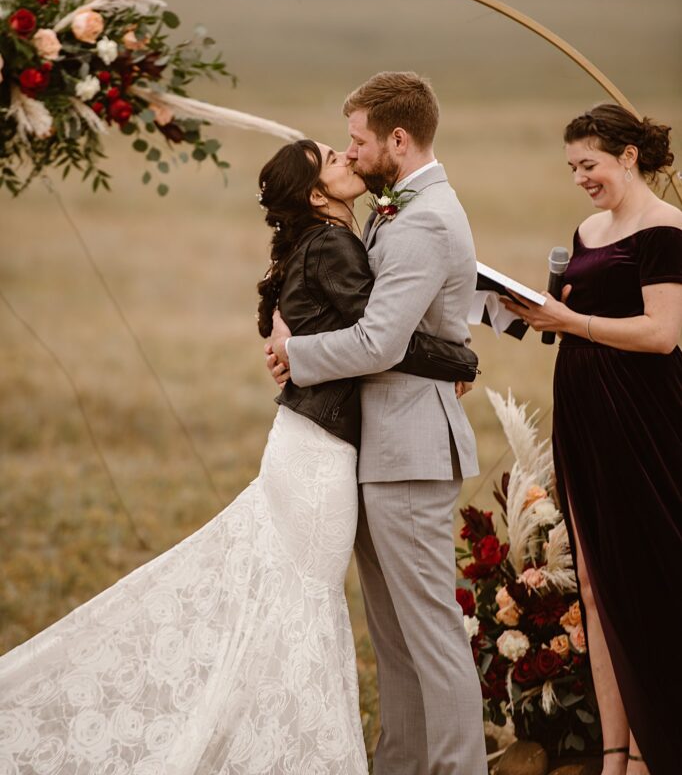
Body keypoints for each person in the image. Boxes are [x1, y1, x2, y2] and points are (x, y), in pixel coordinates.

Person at [0, 137, 473, 775]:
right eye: (332, 160)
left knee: (287, 600)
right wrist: (461, 358)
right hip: (320, 460)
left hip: (305, 447)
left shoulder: (319, 242)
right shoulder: (332, 244)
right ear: (314, 195)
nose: (347, 162)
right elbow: (382, 340)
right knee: (303, 602)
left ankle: (264, 737)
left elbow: (333, 328)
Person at [268, 71, 488, 775]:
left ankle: (460, 768)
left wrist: (293, 354)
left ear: (398, 138)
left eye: (359, 141)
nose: (351, 153)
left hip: (411, 449)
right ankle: (401, 764)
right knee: (393, 638)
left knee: (431, 634)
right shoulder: (398, 206)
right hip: (380, 448)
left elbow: (378, 343)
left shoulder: (423, 218)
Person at [500, 103, 682, 775]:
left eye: (590, 164)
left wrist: (572, 320)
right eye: (572, 166)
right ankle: (614, 753)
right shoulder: (588, 228)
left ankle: (651, 749)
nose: (580, 177)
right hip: (584, 410)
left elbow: (663, 334)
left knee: (647, 576)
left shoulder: (666, 231)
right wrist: (537, 313)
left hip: (646, 416)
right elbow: (573, 316)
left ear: (628, 156)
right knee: (598, 583)